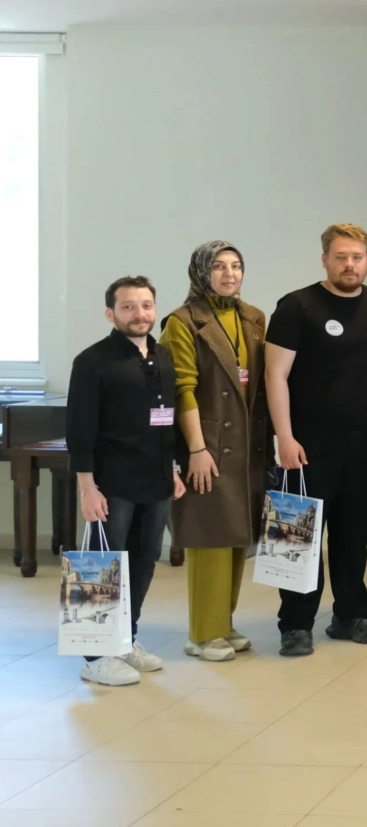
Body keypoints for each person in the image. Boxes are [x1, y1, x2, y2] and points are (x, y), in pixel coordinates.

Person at [265, 223, 367, 657]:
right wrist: (284, 436)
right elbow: (275, 375)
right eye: (341, 257)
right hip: (307, 443)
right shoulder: (297, 306)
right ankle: (296, 623)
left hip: (364, 439)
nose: (349, 265)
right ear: (325, 259)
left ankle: (351, 615)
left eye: (357, 257)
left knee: (353, 533)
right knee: (299, 534)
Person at [66, 276, 185, 686]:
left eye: (146, 305)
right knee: (104, 566)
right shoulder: (92, 361)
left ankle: (125, 639)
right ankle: (95, 656)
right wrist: (87, 486)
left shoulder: (163, 356)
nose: (139, 314)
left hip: (156, 481)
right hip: (111, 484)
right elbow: (80, 427)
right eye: (129, 306)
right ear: (110, 313)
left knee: (143, 562)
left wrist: (173, 469)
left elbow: (167, 420)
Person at [160, 241, 269, 663]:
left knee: (238, 533)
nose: (229, 274)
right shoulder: (182, 321)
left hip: (248, 443)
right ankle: (203, 634)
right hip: (206, 444)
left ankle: (223, 622)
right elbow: (180, 388)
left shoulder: (253, 317)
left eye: (236, 266)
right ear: (201, 272)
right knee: (209, 535)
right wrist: (196, 448)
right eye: (220, 266)